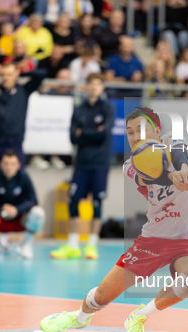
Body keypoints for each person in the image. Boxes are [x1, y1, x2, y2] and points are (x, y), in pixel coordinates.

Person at [42, 107, 188, 332]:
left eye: (140, 129)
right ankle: (78, 318)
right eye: (129, 132)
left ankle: (140, 316)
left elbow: (179, 153)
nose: (133, 136)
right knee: (101, 297)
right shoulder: (130, 166)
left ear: (157, 131)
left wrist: (182, 169)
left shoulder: (174, 140)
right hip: (153, 239)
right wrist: (172, 177)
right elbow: (151, 175)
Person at [51, 73, 115, 260]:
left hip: (100, 162)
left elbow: (105, 134)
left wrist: (83, 133)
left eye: (97, 84)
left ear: (102, 87)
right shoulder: (79, 109)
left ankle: (91, 245)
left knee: (96, 202)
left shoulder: (108, 108)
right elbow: (72, 136)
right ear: (86, 87)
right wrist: (94, 132)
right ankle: (72, 245)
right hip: (82, 163)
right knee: (73, 200)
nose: (94, 87)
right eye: (91, 84)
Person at [0, 63, 47, 173]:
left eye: (9, 75)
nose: (6, 78)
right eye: (4, 75)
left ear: (16, 75)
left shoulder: (24, 90)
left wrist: (21, 73)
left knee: (18, 177)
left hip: (14, 142)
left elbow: (42, 74)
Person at [0, 150, 45, 258]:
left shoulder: (24, 177)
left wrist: (17, 209)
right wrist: (0, 209)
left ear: (18, 165)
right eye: (6, 164)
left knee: (38, 212)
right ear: (1, 164)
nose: (9, 167)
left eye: (12, 164)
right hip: (0, 219)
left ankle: (26, 243)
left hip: (20, 219)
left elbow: (34, 200)